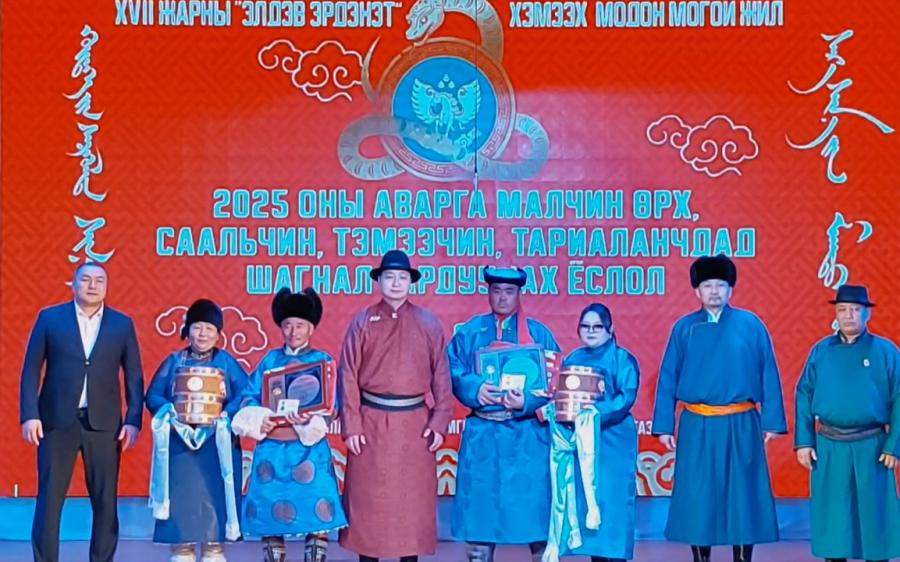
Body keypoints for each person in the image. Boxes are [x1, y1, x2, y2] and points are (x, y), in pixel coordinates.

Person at [651, 255, 786, 562]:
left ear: (731, 290)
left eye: (720, 285)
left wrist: (772, 422)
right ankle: (701, 558)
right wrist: (664, 426)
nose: (714, 291)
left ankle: (743, 558)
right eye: (707, 285)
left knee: (743, 493)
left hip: (741, 421)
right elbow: (668, 377)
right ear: (696, 291)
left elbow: (768, 371)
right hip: (697, 423)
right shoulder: (684, 328)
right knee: (698, 495)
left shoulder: (750, 325)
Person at [19, 262, 143, 562]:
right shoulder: (50, 318)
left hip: (104, 425)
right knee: (49, 500)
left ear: (106, 287)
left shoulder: (121, 324)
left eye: (99, 281)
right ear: (73, 285)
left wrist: (133, 420)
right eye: (85, 279)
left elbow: (134, 376)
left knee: (105, 502)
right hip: (56, 421)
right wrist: (30, 414)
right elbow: (31, 369)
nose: (92, 285)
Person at [338, 250, 454, 562]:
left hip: (415, 426)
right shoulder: (362, 322)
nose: (395, 283)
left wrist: (439, 422)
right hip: (370, 424)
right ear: (379, 281)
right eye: (389, 277)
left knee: (411, 507)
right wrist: (352, 426)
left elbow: (442, 377)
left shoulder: (428, 323)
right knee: (368, 505)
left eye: (402, 277)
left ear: (410, 282)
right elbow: (347, 375)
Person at [448, 266, 560, 562]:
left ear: (519, 294)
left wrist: (526, 401)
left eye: (509, 292)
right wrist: (474, 388)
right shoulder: (470, 331)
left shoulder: (538, 333)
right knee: (480, 519)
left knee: (535, 519)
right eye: (496, 291)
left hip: (527, 439)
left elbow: (554, 382)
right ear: (488, 293)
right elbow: (451, 368)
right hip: (484, 437)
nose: (502, 297)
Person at [232, 287, 347, 562]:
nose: (293, 332)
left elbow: (334, 402)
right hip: (272, 447)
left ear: (311, 328)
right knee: (270, 513)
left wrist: (313, 418)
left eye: (300, 325)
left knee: (317, 510)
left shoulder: (323, 361)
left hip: (309, 449)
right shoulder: (269, 360)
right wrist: (260, 417)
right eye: (288, 325)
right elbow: (249, 395)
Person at [795, 284, 900, 562]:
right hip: (829, 445)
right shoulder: (821, 351)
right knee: (834, 516)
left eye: (855, 309)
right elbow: (804, 394)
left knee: (874, 515)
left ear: (867, 314)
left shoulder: (885, 351)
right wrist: (804, 442)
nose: (849, 315)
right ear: (836, 314)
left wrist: (893, 446)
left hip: (872, 446)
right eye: (843, 310)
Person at [145, 299, 248, 562]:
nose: (203, 334)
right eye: (197, 327)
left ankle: (214, 549)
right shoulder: (173, 361)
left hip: (216, 444)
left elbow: (245, 394)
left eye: (209, 328)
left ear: (218, 334)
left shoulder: (226, 362)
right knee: (182, 501)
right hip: (180, 444)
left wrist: (227, 414)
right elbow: (153, 395)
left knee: (215, 500)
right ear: (187, 330)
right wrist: (168, 410)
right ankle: (182, 550)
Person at [541, 303, 638, 562]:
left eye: (597, 326)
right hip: (581, 443)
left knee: (613, 506)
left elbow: (626, 397)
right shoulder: (573, 359)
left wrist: (594, 413)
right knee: (587, 502)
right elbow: (561, 396)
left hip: (613, 442)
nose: (591, 331)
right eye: (585, 326)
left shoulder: (623, 359)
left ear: (610, 329)